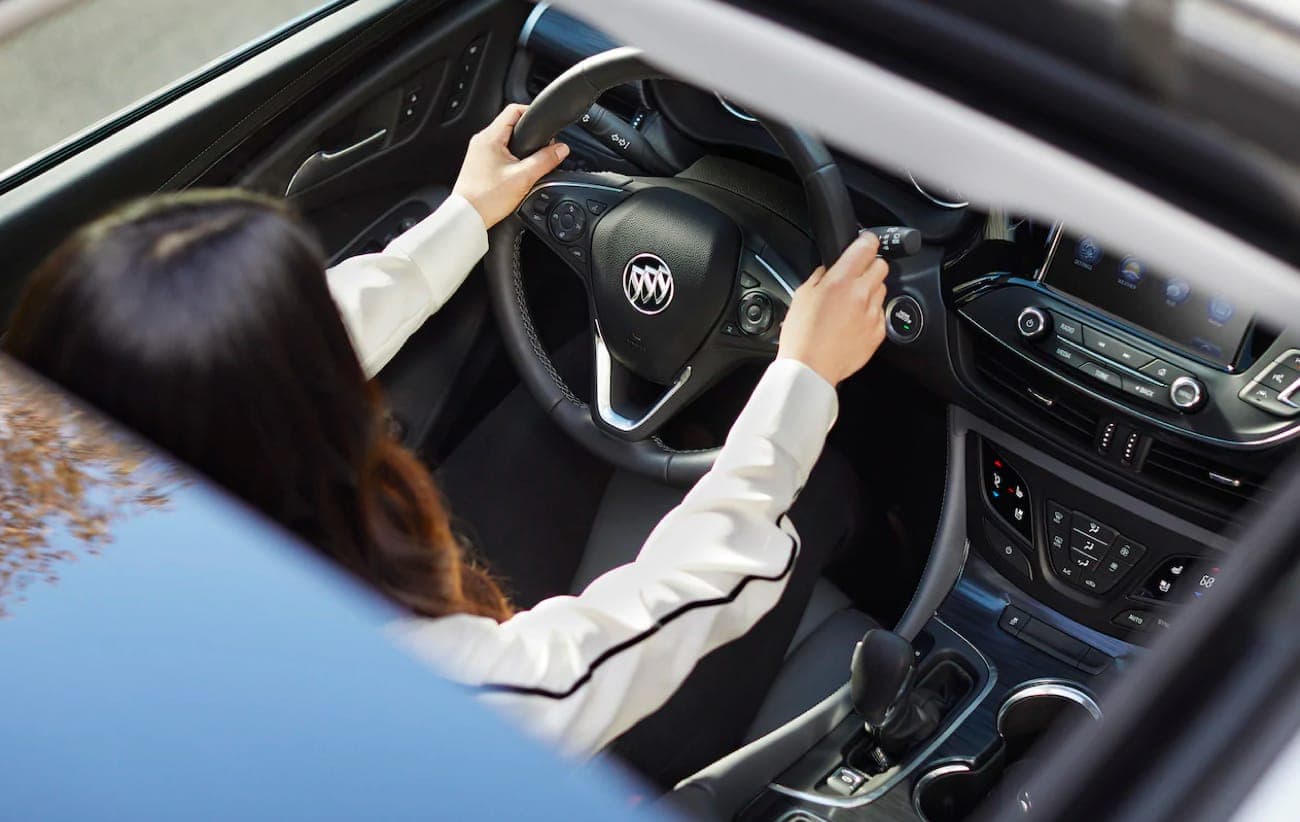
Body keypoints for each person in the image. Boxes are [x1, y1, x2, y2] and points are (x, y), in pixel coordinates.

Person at [4, 104, 889, 771]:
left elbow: (274, 350)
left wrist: (466, 215)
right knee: (825, 488)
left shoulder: (58, 485)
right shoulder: (391, 690)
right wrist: (802, 383)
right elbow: (666, 611)